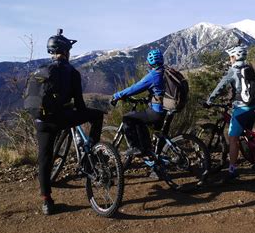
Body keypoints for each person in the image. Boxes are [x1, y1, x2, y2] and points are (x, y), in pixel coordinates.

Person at [35, 29, 104, 215]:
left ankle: (47, 202)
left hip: (40, 120)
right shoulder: (71, 72)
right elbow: (81, 107)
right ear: (66, 52)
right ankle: (91, 153)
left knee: (45, 159)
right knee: (97, 115)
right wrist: (72, 107)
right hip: (62, 118)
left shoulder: (40, 70)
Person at [206, 45, 255, 183]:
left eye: (230, 57)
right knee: (248, 135)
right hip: (253, 107)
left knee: (233, 139)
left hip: (241, 109)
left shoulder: (233, 70)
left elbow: (221, 86)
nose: (230, 60)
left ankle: (232, 170)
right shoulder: (249, 68)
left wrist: (209, 100)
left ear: (234, 57)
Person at [110, 49, 166, 157]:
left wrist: (117, 95)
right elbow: (159, 92)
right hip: (166, 109)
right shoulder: (165, 72)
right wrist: (146, 99)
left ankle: (135, 147)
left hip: (157, 111)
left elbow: (135, 88)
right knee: (141, 121)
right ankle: (150, 154)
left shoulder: (153, 75)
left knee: (128, 118)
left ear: (149, 62)